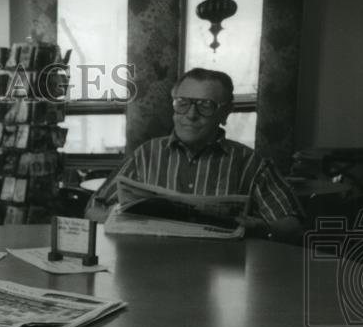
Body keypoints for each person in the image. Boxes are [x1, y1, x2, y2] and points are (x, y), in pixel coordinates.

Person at [86, 67, 305, 243]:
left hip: (221, 279)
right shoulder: (146, 154)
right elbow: (93, 209)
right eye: (183, 103)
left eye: (205, 106)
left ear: (225, 112)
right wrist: (119, 220)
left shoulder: (250, 163)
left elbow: (294, 225)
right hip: (150, 271)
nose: (191, 115)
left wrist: (260, 228)